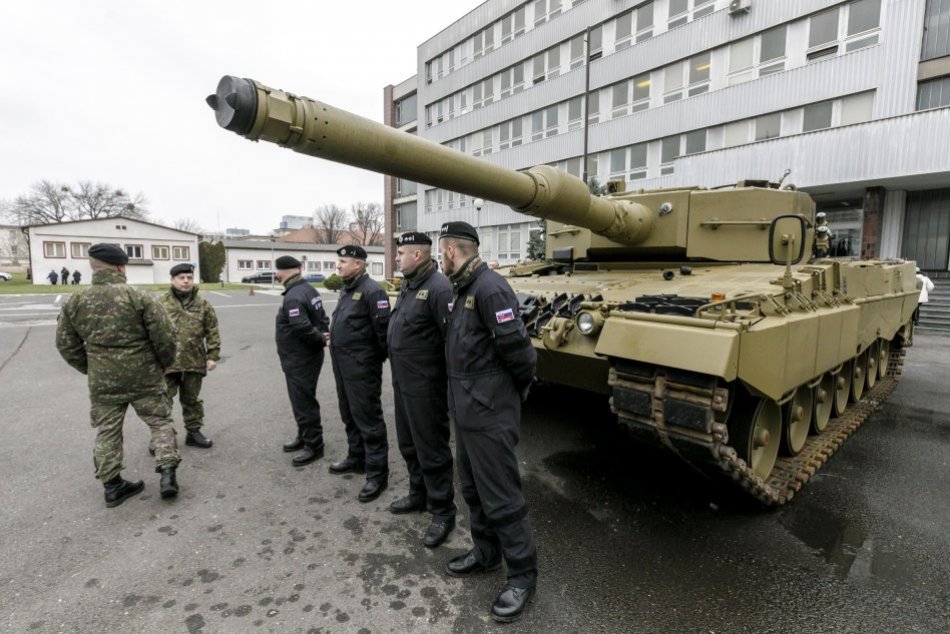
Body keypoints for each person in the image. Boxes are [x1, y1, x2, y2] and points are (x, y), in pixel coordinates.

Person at [437, 221, 538, 623]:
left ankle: (522, 577)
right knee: (474, 489)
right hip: (467, 413)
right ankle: (486, 552)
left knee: (502, 497)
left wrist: (510, 397)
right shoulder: (462, 290)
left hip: (489, 413)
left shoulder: (490, 288)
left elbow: (520, 353)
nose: (439, 255)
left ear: (449, 251)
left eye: (440, 249)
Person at [55, 243, 181, 507]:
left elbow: (66, 344)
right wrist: (166, 363)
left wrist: (90, 368)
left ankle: (112, 487)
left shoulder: (75, 300)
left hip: (103, 380)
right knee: (159, 421)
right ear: (121, 266)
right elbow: (165, 336)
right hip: (144, 375)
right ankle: (168, 474)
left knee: (108, 431)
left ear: (93, 266)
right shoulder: (139, 296)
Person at [387, 232, 456, 548]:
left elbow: (452, 342)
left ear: (418, 255)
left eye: (401, 253)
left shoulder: (440, 289)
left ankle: (443, 511)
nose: (397, 257)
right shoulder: (410, 285)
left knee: (432, 450)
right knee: (409, 444)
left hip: (426, 388)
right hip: (403, 384)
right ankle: (419, 495)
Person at [328, 244, 391, 502]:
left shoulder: (372, 291)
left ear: (358, 264)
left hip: (362, 367)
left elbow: (383, 331)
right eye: (338, 261)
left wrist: (370, 360)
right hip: (343, 366)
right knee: (349, 414)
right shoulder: (348, 289)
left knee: (368, 419)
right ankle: (356, 458)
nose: (338, 266)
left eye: (343, 262)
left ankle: (377, 475)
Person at [274, 255, 330, 467]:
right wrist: (323, 335)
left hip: (300, 359)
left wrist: (320, 338)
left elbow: (301, 326)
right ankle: (304, 435)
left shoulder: (294, 297)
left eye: (277, 271)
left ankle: (314, 445)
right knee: (302, 399)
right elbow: (323, 319)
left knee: (303, 401)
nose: (276, 275)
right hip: (307, 357)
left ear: (285, 271)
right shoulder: (309, 289)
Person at [157, 263, 220, 451]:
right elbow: (149, 332)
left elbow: (212, 330)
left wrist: (212, 355)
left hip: (194, 361)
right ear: (172, 280)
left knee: (192, 400)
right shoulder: (160, 303)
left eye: (189, 278)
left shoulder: (202, 304)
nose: (186, 281)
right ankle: (162, 437)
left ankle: (193, 432)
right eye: (181, 278)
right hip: (166, 363)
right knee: (162, 402)